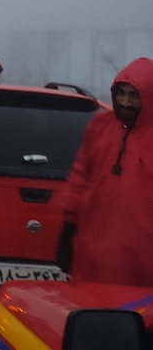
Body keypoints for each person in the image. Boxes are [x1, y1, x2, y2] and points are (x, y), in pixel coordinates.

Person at [57, 57, 153, 287]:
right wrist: (68, 230)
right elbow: (79, 179)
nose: (125, 102)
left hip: (143, 259)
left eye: (134, 95)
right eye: (121, 93)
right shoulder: (100, 128)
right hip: (95, 252)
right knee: (93, 315)